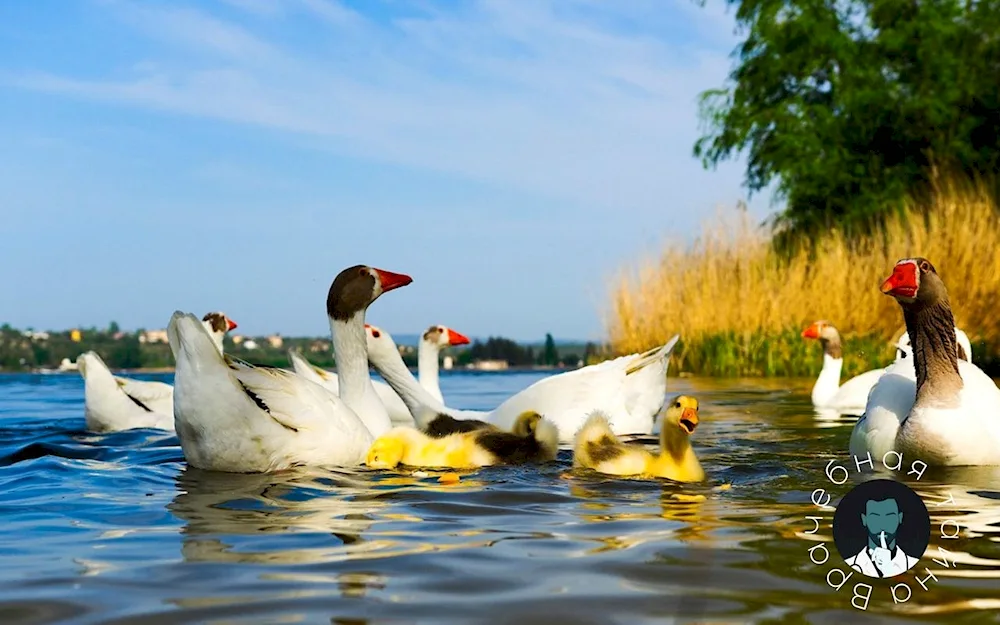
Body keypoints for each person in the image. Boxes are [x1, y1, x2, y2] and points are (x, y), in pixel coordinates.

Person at [845, 497, 919, 578]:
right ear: (864, 519)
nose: (883, 525)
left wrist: (888, 569)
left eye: (890, 517)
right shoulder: (849, 564)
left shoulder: (915, 564)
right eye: (875, 517)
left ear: (899, 518)